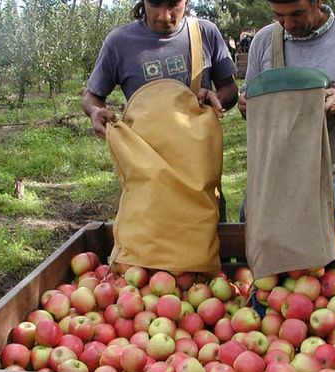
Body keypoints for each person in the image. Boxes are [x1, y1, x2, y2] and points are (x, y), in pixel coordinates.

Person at [238, 0, 335, 222]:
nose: (288, 24)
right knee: (256, 255)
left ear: (318, 2)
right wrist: (246, 105)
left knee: (318, 257)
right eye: (279, 16)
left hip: (321, 182)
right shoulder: (264, 41)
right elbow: (248, 95)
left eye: (297, 14)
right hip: (266, 179)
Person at [82, 0, 238, 222]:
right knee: (154, 246)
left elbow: (230, 88)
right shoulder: (119, 43)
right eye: (155, 4)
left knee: (206, 246)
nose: (165, 16)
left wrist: (217, 98)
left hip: (200, 177)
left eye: (174, 4)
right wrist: (95, 111)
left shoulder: (204, 33)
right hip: (148, 178)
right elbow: (92, 95)